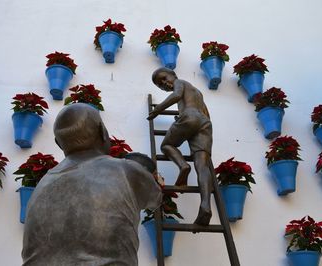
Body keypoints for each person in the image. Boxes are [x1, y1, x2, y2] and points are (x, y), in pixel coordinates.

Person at [22, 103, 162, 266]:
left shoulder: (42, 184)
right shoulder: (126, 170)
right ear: (103, 132)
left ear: (59, 143)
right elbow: (155, 199)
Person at [147, 67, 214, 226]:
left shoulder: (181, 82)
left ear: (173, 74)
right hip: (204, 123)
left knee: (167, 145)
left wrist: (158, 109)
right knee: (202, 166)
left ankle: (183, 166)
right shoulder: (197, 93)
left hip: (190, 117)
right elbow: (204, 113)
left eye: (164, 78)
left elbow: (177, 95)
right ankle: (205, 204)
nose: (164, 84)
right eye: (160, 85)